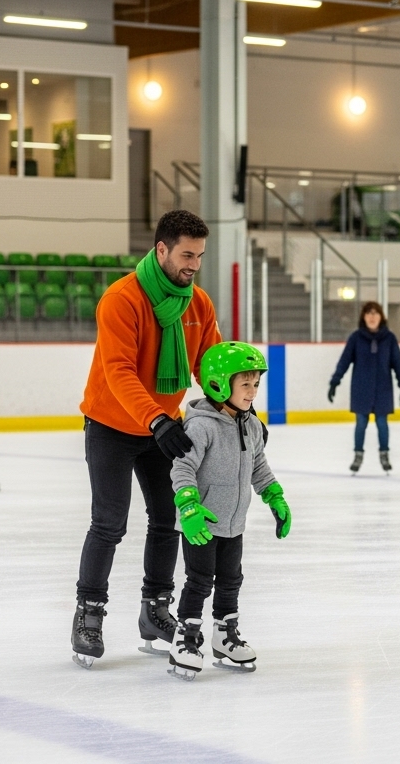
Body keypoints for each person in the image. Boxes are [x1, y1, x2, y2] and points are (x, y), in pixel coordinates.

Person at [71, 209, 222, 670]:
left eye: (199, 255)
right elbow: (117, 371)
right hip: (112, 426)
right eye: (186, 254)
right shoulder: (122, 299)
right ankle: (88, 612)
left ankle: (156, 610)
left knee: (169, 518)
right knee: (109, 521)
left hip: (162, 427)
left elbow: (210, 365)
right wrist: (157, 419)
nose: (193, 264)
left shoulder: (198, 304)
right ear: (161, 250)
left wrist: (237, 411)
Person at [166, 342, 291, 680]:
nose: (252, 392)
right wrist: (189, 506)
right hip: (202, 524)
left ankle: (224, 634)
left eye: (256, 384)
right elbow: (182, 468)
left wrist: (275, 496)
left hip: (234, 523)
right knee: (199, 580)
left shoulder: (250, 425)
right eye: (245, 384)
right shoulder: (201, 426)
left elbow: (259, 467)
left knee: (231, 580)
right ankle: (186, 637)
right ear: (220, 383)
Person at [328, 301, 400, 474]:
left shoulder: (389, 338)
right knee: (361, 423)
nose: (372, 317)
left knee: (382, 423)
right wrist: (335, 381)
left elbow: (397, 364)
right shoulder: (356, 338)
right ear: (364, 317)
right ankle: (358, 456)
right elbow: (344, 361)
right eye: (368, 313)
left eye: (375, 313)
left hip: (383, 388)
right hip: (361, 388)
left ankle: (384, 455)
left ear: (381, 317)